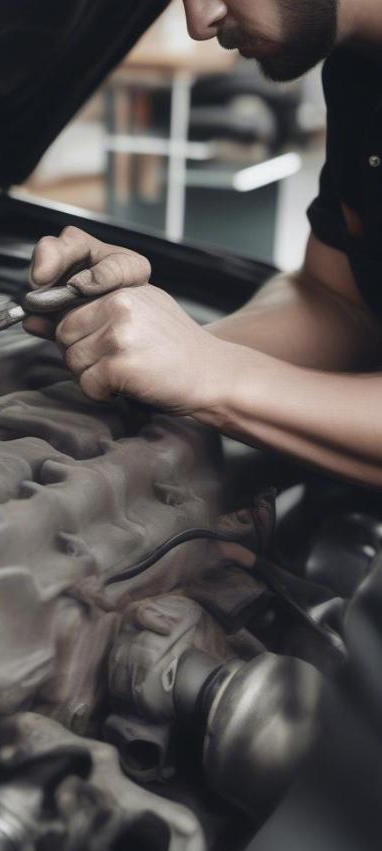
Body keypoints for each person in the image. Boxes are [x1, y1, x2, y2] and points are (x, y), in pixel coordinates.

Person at [26, 0, 382, 486]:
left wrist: (216, 377)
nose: (200, 22)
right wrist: (148, 342)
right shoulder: (359, 70)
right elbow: (338, 301)